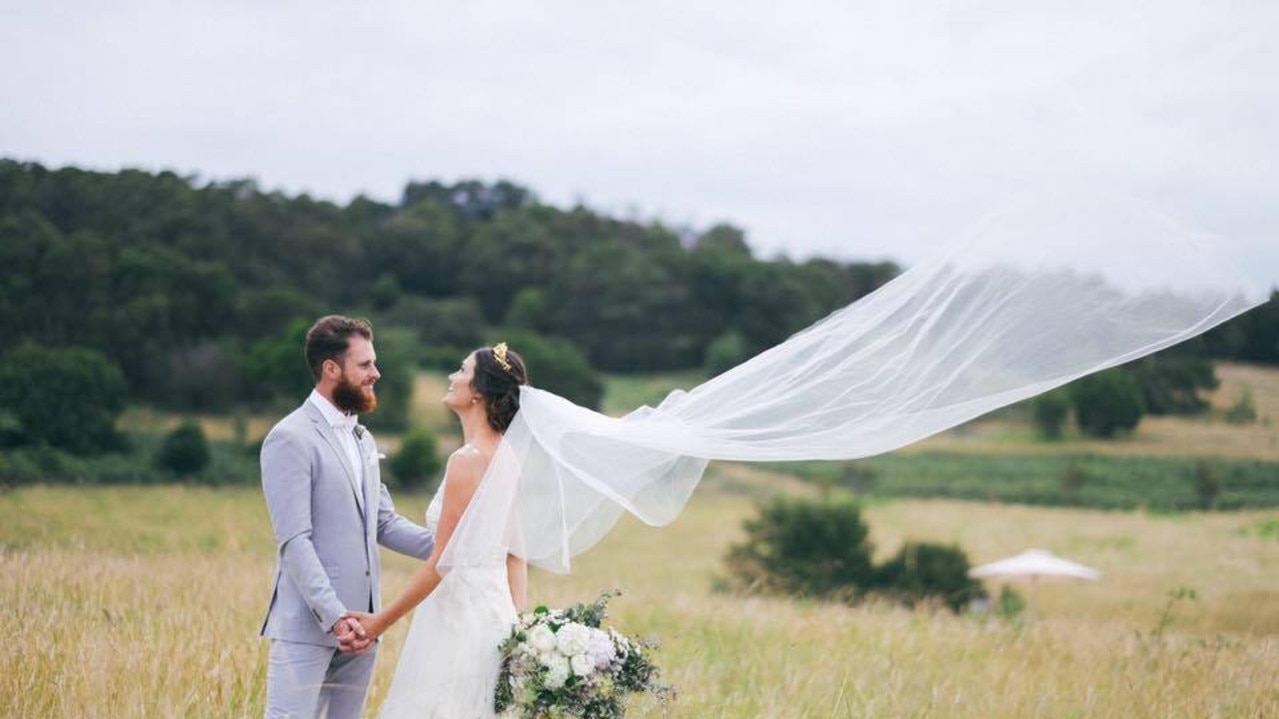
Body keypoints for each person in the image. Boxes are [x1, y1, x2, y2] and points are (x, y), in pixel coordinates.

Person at [259, 315, 435, 719]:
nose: (377, 373)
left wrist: (456, 542)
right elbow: (294, 541)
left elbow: (384, 522)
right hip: (310, 625)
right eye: (365, 365)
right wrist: (335, 617)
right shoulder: (290, 437)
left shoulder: (362, 437)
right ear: (331, 369)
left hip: (364, 626)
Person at [343, 342, 529, 718]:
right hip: (494, 617)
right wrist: (519, 627)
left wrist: (381, 621)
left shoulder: (467, 460)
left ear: (478, 391)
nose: (451, 377)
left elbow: (442, 562)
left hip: (457, 621)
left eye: (461, 371)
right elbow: (516, 554)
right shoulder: (507, 457)